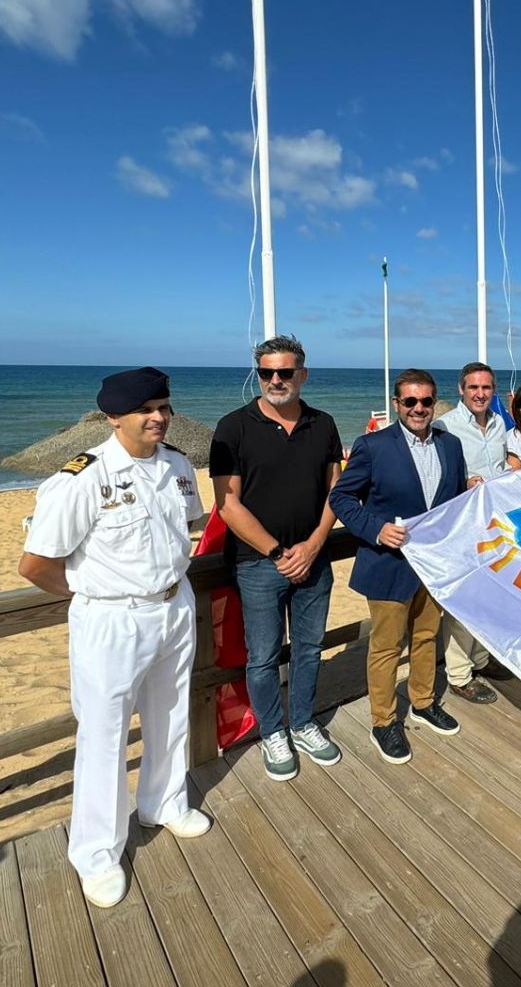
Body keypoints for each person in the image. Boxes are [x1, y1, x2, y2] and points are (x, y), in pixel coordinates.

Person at [18, 367, 209, 909]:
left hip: (174, 606)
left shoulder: (177, 466)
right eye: (146, 409)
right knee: (103, 737)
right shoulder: (80, 478)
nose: (158, 417)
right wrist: (91, 593)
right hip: (111, 620)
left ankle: (164, 804)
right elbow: (35, 565)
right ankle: (97, 853)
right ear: (114, 417)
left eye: (164, 406)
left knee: (170, 713)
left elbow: (186, 528)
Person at [210, 335, 345, 785]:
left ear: (302, 375)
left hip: (314, 559)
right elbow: (227, 504)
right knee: (263, 656)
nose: (275, 380)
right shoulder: (233, 427)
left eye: (284, 372)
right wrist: (276, 551)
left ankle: (303, 721)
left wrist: (312, 545)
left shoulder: (323, 424)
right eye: (266, 372)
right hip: (258, 564)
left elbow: (336, 490)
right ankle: (272, 731)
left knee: (309, 648)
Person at [330, 369, 466, 764]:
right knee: (387, 646)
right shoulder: (372, 445)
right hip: (389, 563)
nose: (419, 408)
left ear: (434, 402)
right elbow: (341, 499)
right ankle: (384, 721)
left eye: (426, 401)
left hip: (432, 565)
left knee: (426, 637)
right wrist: (376, 530)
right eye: (410, 401)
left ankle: (423, 702)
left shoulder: (451, 445)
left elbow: (455, 502)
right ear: (396, 404)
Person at [433, 363, 515, 705]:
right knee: (464, 601)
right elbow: (433, 475)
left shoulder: (499, 425)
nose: (480, 394)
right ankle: (459, 675)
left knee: (490, 599)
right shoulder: (445, 426)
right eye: (473, 388)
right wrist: (462, 483)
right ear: (461, 390)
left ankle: (480, 659)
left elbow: (502, 466)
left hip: (495, 526)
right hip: (463, 526)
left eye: (486, 388)